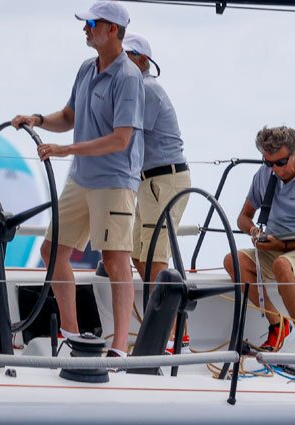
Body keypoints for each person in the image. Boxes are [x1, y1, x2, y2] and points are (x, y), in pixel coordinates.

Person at [11, 0, 144, 357]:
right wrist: (36, 118)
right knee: (50, 251)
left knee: (116, 261)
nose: (85, 29)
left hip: (114, 183)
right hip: (81, 180)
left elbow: (121, 139)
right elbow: (69, 115)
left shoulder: (129, 77)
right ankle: (71, 334)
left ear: (112, 29)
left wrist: (65, 151)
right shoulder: (87, 68)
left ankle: (119, 347)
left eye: (92, 23)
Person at [224, 126, 295, 354]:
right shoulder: (264, 174)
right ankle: (277, 323)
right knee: (232, 260)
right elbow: (243, 217)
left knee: (282, 264)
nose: (275, 169)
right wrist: (255, 232)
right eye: (269, 163)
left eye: (280, 162)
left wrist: (284, 246)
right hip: (274, 247)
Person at [123, 34, 191, 353]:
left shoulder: (147, 90)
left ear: (142, 61)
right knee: (140, 254)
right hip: (149, 181)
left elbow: (129, 138)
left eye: (126, 57)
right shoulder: (136, 91)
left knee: (155, 258)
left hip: (163, 181)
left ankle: (173, 330)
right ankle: (165, 322)